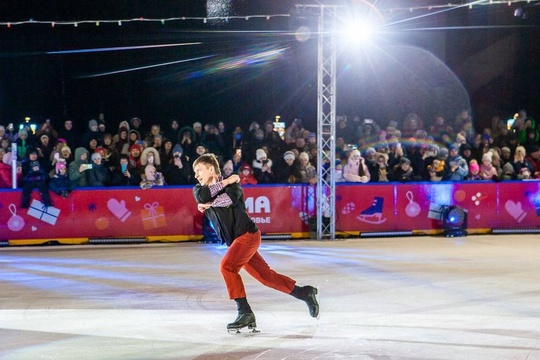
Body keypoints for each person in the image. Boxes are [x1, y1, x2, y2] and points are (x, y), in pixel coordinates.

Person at [192, 153, 319, 332]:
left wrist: (214, 200)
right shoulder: (201, 189)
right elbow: (202, 196)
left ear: (211, 169)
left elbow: (229, 200)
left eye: (199, 170)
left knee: (227, 267)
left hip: (248, 235)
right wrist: (225, 182)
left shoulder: (234, 185)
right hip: (237, 241)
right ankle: (304, 293)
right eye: (195, 172)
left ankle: (244, 312)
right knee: (266, 277)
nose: (196, 174)